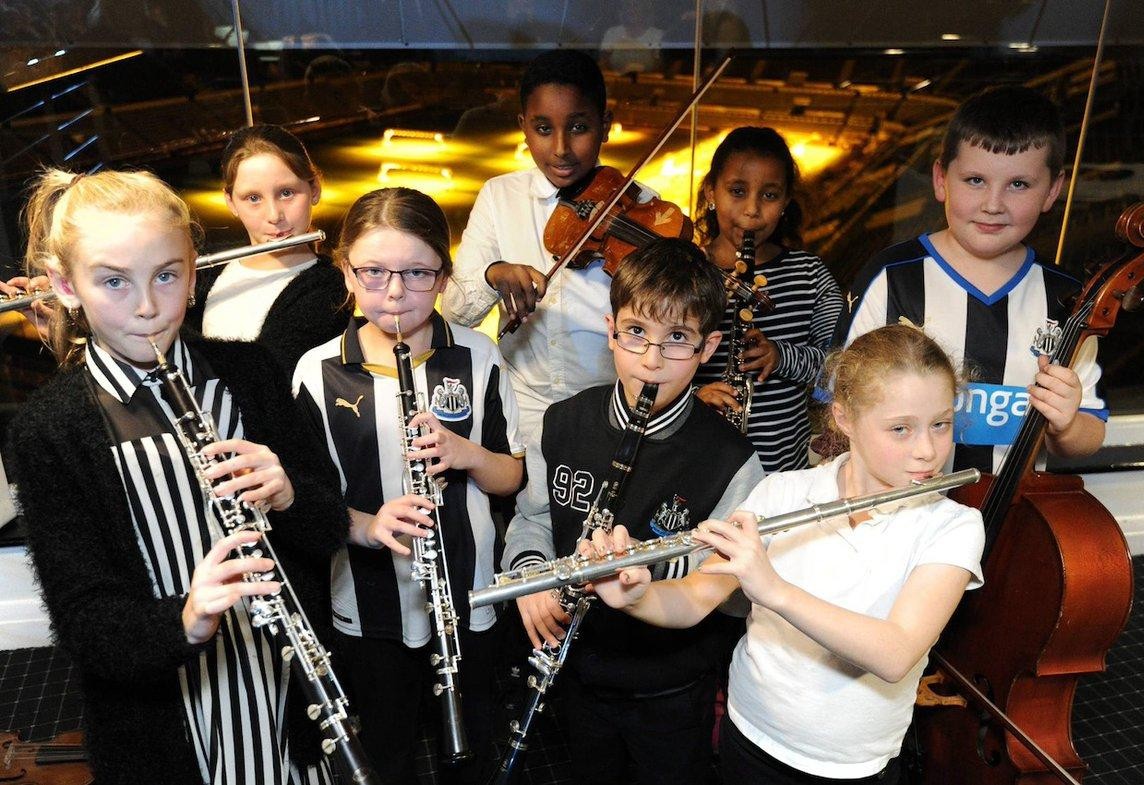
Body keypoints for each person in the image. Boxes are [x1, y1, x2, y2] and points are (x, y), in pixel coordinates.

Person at [8, 168, 349, 785]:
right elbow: (87, 625)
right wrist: (188, 617)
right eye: (114, 281)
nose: (146, 307)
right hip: (167, 731)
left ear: (194, 272)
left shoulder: (252, 374)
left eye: (167, 275)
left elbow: (329, 529)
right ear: (65, 285)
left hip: (290, 704)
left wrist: (291, 493)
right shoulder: (48, 432)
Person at [588, 323, 986, 784]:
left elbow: (895, 654)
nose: (927, 451)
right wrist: (637, 596)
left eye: (941, 424)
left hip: (850, 766)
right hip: (750, 735)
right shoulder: (781, 493)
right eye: (900, 429)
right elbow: (696, 598)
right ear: (844, 418)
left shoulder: (953, 525)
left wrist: (774, 590)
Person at [503, 237, 765, 785]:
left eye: (677, 340)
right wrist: (532, 578)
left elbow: (736, 596)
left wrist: (647, 572)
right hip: (578, 671)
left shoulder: (732, 460)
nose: (651, 358)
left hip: (671, 688)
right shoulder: (563, 421)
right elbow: (531, 521)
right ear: (610, 329)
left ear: (708, 346)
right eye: (636, 333)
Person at [292, 187, 525, 785]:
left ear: (445, 277)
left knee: (471, 743)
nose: (394, 293)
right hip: (368, 601)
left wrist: (465, 453)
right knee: (385, 749)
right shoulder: (316, 371)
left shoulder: (479, 356)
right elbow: (308, 505)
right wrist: (369, 526)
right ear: (346, 270)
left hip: (468, 590)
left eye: (418, 273)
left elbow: (511, 475)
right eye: (372, 271)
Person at [834, 85, 1106, 474]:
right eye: (975, 180)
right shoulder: (892, 278)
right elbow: (839, 411)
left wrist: (1066, 423)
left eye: (1018, 185)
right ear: (942, 180)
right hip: (902, 520)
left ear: (1052, 191)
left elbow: (1090, 434)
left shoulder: (1068, 298)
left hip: (1017, 522)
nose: (993, 204)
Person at [441, 49, 654, 522]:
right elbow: (455, 312)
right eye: (543, 128)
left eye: (579, 127)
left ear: (606, 123)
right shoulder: (500, 196)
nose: (560, 148)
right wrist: (495, 274)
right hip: (523, 407)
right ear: (523, 125)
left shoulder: (642, 211)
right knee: (523, 528)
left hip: (611, 407)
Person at [693, 127, 843, 473]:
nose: (752, 211)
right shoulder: (686, 272)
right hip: (700, 471)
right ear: (710, 192)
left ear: (786, 202)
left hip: (780, 477)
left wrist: (781, 356)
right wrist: (694, 398)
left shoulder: (811, 275)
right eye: (737, 191)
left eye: (770, 195)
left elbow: (841, 369)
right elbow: (654, 366)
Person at [189, 124, 349, 371]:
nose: (274, 215)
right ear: (231, 203)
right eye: (253, 198)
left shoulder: (332, 287)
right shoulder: (207, 272)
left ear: (314, 189)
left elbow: (269, 373)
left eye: (286, 193)